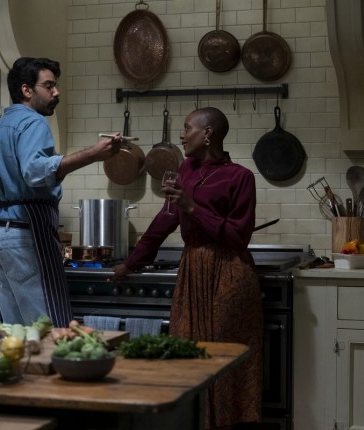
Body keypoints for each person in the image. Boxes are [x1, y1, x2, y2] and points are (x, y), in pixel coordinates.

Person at [113, 107, 263, 429]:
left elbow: (238, 237)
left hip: (229, 272)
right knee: (186, 350)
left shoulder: (241, 177)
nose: (181, 135)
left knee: (222, 355)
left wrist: (192, 207)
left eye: (187, 128)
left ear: (207, 133)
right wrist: (132, 262)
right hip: (192, 270)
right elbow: (165, 220)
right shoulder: (186, 171)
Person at [0, 57, 121, 327]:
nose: (56, 92)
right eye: (49, 86)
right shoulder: (33, 123)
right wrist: (93, 154)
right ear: (27, 90)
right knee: (48, 328)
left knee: (16, 333)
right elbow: (35, 170)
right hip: (25, 236)